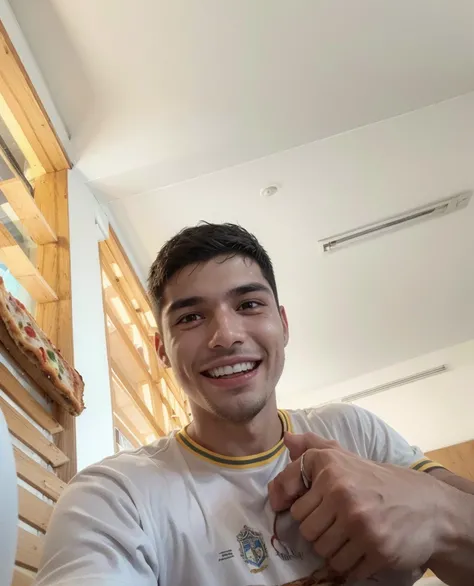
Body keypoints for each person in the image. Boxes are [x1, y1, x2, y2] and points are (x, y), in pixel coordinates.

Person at [36, 223, 474, 586]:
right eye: (190, 317)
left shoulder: (354, 432)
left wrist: (433, 510)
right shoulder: (114, 498)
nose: (225, 335)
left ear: (282, 325)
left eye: (248, 304)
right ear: (162, 350)